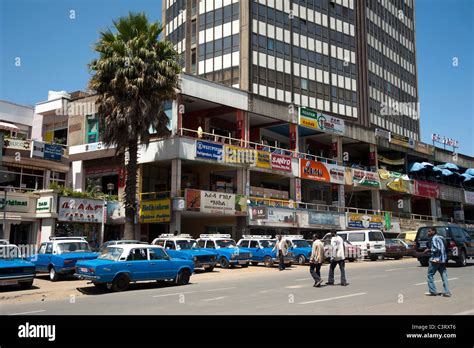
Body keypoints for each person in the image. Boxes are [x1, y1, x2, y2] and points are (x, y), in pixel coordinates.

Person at [424, 228, 451, 297]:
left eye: (429, 231)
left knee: (430, 274)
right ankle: (446, 291)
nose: (428, 232)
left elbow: (437, 248)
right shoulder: (441, 237)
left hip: (435, 260)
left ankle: (433, 291)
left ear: (433, 231)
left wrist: (429, 249)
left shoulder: (434, 238)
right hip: (442, 259)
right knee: (444, 275)